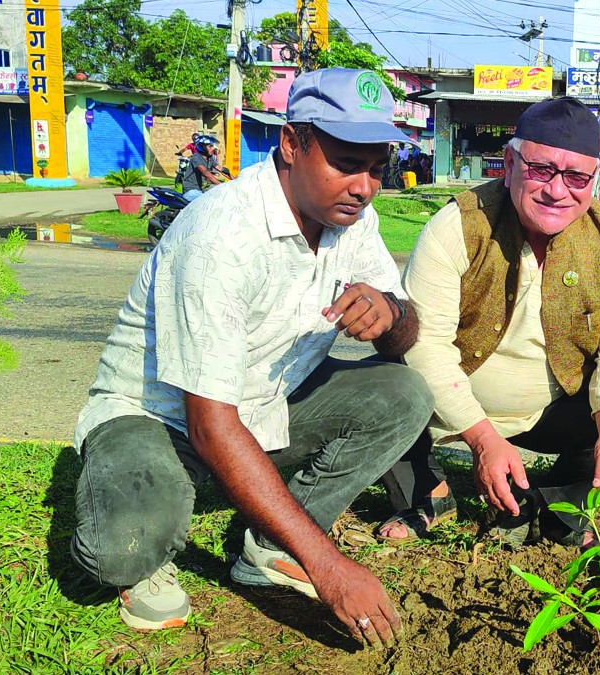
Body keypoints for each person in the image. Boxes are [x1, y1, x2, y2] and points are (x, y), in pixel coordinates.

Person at [69, 68, 432, 649]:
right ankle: (156, 522)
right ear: (290, 144)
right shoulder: (222, 235)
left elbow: (403, 337)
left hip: (266, 402)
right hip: (160, 416)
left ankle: (270, 546)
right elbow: (209, 425)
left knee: (404, 394)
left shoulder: (353, 221)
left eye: (375, 168)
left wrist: (390, 312)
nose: (364, 187)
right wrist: (329, 567)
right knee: (123, 551)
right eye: (346, 163)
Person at [378, 97, 600, 547]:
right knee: (385, 386)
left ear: (595, 180)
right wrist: (482, 439)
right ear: (509, 164)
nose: (557, 190)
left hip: (550, 410)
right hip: (447, 405)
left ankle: (559, 511)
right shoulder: (456, 226)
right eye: (541, 169)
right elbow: (425, 345)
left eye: (576, 177)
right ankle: (427, 496)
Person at [178, 135, 222, 202]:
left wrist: (235, 180)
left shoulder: (209, 158)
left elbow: (222, 170)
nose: (212, 148)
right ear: (202, 147)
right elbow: (206, 173)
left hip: (199, 190)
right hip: (190, 191)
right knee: (210, 201)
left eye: (213, 146)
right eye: (210, 146)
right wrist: (221, 185)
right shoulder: (196, 158)